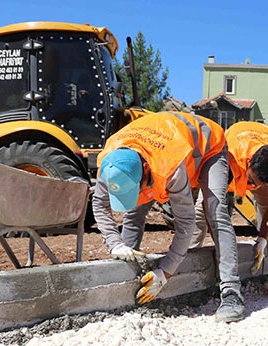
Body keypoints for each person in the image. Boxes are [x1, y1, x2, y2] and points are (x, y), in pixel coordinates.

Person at [92, 111, 245, 323]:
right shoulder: (110, 165)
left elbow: (186, 224)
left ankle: (231, 293)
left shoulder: (169, 167)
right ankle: (126, 277)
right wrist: (115, 244)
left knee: (215, 210)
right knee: (134, 211)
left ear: (146, 169)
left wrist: (165, 273)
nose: (137, 194)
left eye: (136, 188)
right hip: (160, 143)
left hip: (209, 147)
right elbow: (99, 204)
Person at [191, 122, 268, 295]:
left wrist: (262, 240)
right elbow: (211, 208)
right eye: (252, 182)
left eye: (262, 185)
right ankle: (189, 262)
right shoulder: (227, 157)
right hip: (231, 158)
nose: (254, 187)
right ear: (249, 163)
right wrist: (223, 249)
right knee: (201, 213)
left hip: (261, 156)